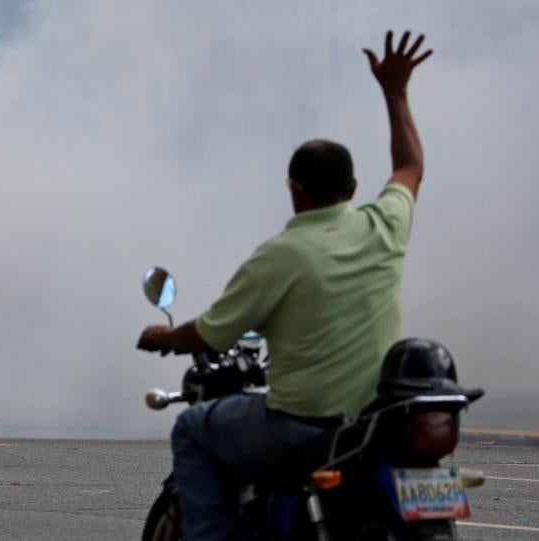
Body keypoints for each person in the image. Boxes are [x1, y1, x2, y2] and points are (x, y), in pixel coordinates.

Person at [137, 30, 431, 540]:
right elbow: (409, 166)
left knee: (190, 427)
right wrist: (396, 92)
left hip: (304, 424)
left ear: (294, 191)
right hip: (368, 423)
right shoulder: (383, 225)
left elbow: (210, 335)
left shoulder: (279, 255)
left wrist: (163, 337)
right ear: (354, 189)